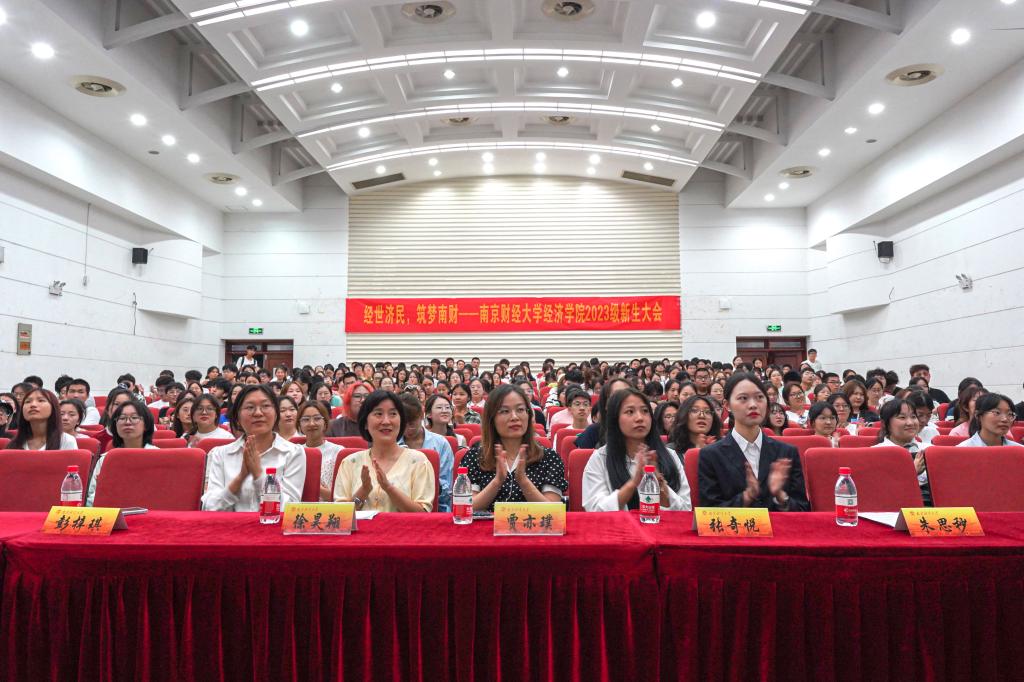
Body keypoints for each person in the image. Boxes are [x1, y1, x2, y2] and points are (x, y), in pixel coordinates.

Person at [698, 373, 810, 511]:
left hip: (779, 525)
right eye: (743, 398)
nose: (753, 405)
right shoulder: (711, 455)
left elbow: (803, 509)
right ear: (727, 405)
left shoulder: (787, 452)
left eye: (759, 397)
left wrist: (781, 496)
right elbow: (708, 513)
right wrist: (746, 497)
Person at [459, 384, 567, 512]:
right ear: (491, 418)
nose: (514, 417)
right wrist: (497, 481)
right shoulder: (474, 457)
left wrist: (523, 481)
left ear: (528, 415)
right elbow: (466, 508)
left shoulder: (549, 458)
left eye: (520, 410)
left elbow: (553, 511)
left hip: (532, 524)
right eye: (505, 411)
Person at [582, 387, 690, 512]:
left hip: (661, 525)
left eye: (645, 411)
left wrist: (658, 480)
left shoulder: (669, 456)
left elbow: (685, 510)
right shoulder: (600, 458)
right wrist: (634, 482)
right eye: (630, 412)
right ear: (615, 419)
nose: (640, 418)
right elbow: (594, 510)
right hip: (619, 525)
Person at [203, 385, 306, 512]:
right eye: (250, 407)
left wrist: (258, 475)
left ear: (276, 414)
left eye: (265, 406)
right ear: (237, 417)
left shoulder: (293, 453)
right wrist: (240, 479)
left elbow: (290, 509)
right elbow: (210, 508)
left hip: (272, 525)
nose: (258, 413)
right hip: (231, 524)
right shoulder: (220, 454)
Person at [334, 390, 435, 512]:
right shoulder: (350, 463)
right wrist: (364, 491)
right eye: (378, 414)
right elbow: (339, 515)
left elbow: (422, 514)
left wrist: (388, 488)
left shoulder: (418, 462)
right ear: (365, 423)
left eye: (393, 414)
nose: (386, 421)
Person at [86, 400, 159, 506]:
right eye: (122, 418)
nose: (127, 422)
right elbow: (92, 498)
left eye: (134, 417)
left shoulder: (158, 456)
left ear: (146, 425)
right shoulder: (107, 460)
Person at [397, 393, 454, 512]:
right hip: (398, 508)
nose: (408, 429)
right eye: (403, 424)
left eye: (412, 423)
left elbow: (447, 490)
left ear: (421, 416)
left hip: (436, 508)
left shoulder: (440, 443)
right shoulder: (393, 444)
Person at [874, 398, 931, 505]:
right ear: (885, 423)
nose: (910, 423)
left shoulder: (930, 450)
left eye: (913, 417)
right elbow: (878, 492)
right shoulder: (874, 454)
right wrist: (912, 472)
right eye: (902, 417)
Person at [297, 400, 344, 501]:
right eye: (306, 419)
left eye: (317, 418)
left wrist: (313, 485)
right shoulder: (294, 452)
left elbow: (342, 498)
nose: (311, 423)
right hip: (298, 508)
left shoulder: (338, 452)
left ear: (325, 423)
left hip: (329, 508)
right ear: (299, 425)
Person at [8, 388, 79, 450]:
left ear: (53, 408)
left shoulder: (66, 441)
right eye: (28, 401)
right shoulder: (14, 444)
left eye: (41, 400)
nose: (33, 405)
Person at [575, 378, 631, 449]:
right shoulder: (593, 431)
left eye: (627, 395)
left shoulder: (641, 429)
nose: (623, 400)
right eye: (617, 396)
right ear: (606, 404)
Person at [958, 393, 1023, 448]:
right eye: (997, 412)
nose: (1005, 419)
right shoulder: (963, 450)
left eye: (1010, 414)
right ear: (978, 415)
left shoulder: (1019, 450)